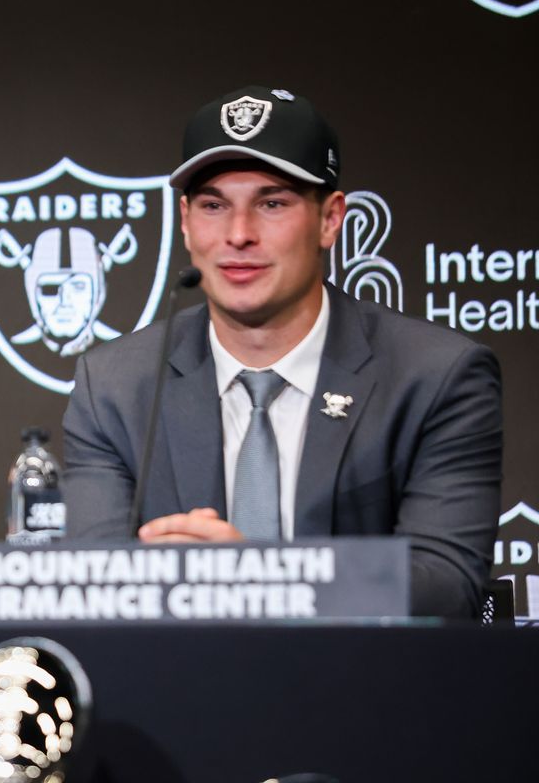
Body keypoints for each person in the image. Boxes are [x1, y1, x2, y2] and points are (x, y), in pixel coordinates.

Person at [62, 86, 502, 617]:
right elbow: (90, 586)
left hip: (365, 693)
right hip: (179, 692)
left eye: (272, 203)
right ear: (184, 221)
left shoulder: (436, 377)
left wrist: (257, 579)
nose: (239, 234)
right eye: (213, 205)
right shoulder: (114, 387)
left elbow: (447, 586)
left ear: (329, 219)